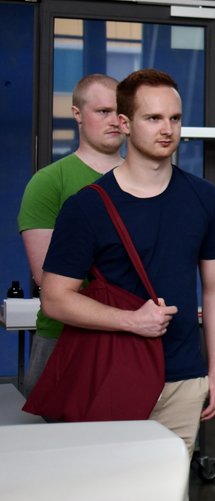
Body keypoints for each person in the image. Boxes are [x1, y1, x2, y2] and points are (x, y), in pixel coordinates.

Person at [39, 69, 215, 451]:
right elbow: (55, 297)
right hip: (112, 373)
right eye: (153, 118)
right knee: (107, 499)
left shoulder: (205, 197)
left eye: (175, 118)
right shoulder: (87, 207)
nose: (168, 129)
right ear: (125, 124)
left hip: (183, 379)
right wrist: (132, 321)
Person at [17, 74, 125, 396]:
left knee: (131, 442)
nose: (114, 122)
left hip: (133, 338)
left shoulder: (145, 181)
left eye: (119, 113)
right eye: (102, 112)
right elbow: (48, 280)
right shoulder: (50, 182)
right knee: (60, 443)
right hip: (64, 338)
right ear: (77, 113)